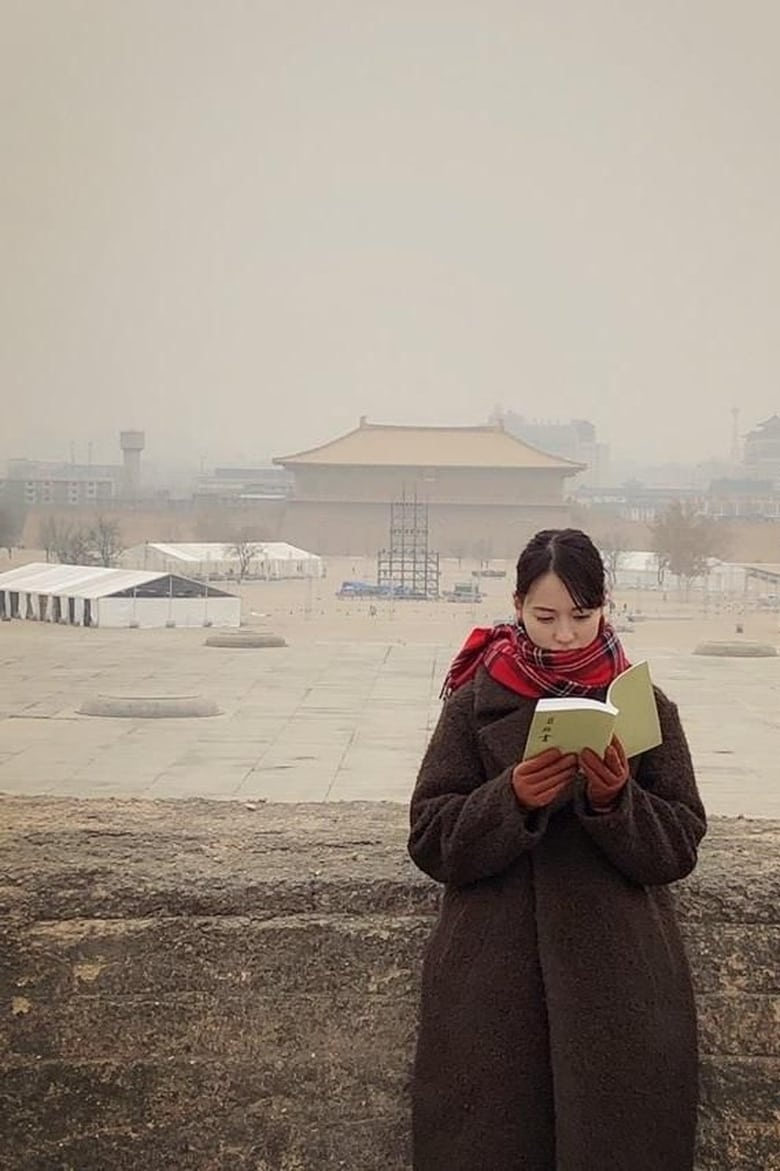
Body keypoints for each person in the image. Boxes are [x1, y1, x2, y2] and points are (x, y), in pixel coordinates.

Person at [408, 528, 706, 1171]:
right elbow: (431, 838)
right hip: (492, 978)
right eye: (545, 616)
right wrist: (508, 799)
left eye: (581, 615)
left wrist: (615, 802)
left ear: (606, 607)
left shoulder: (644, 706)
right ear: (517, 606)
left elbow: (680, 844)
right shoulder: (471, 706)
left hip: (619, 980)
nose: (565, 634)